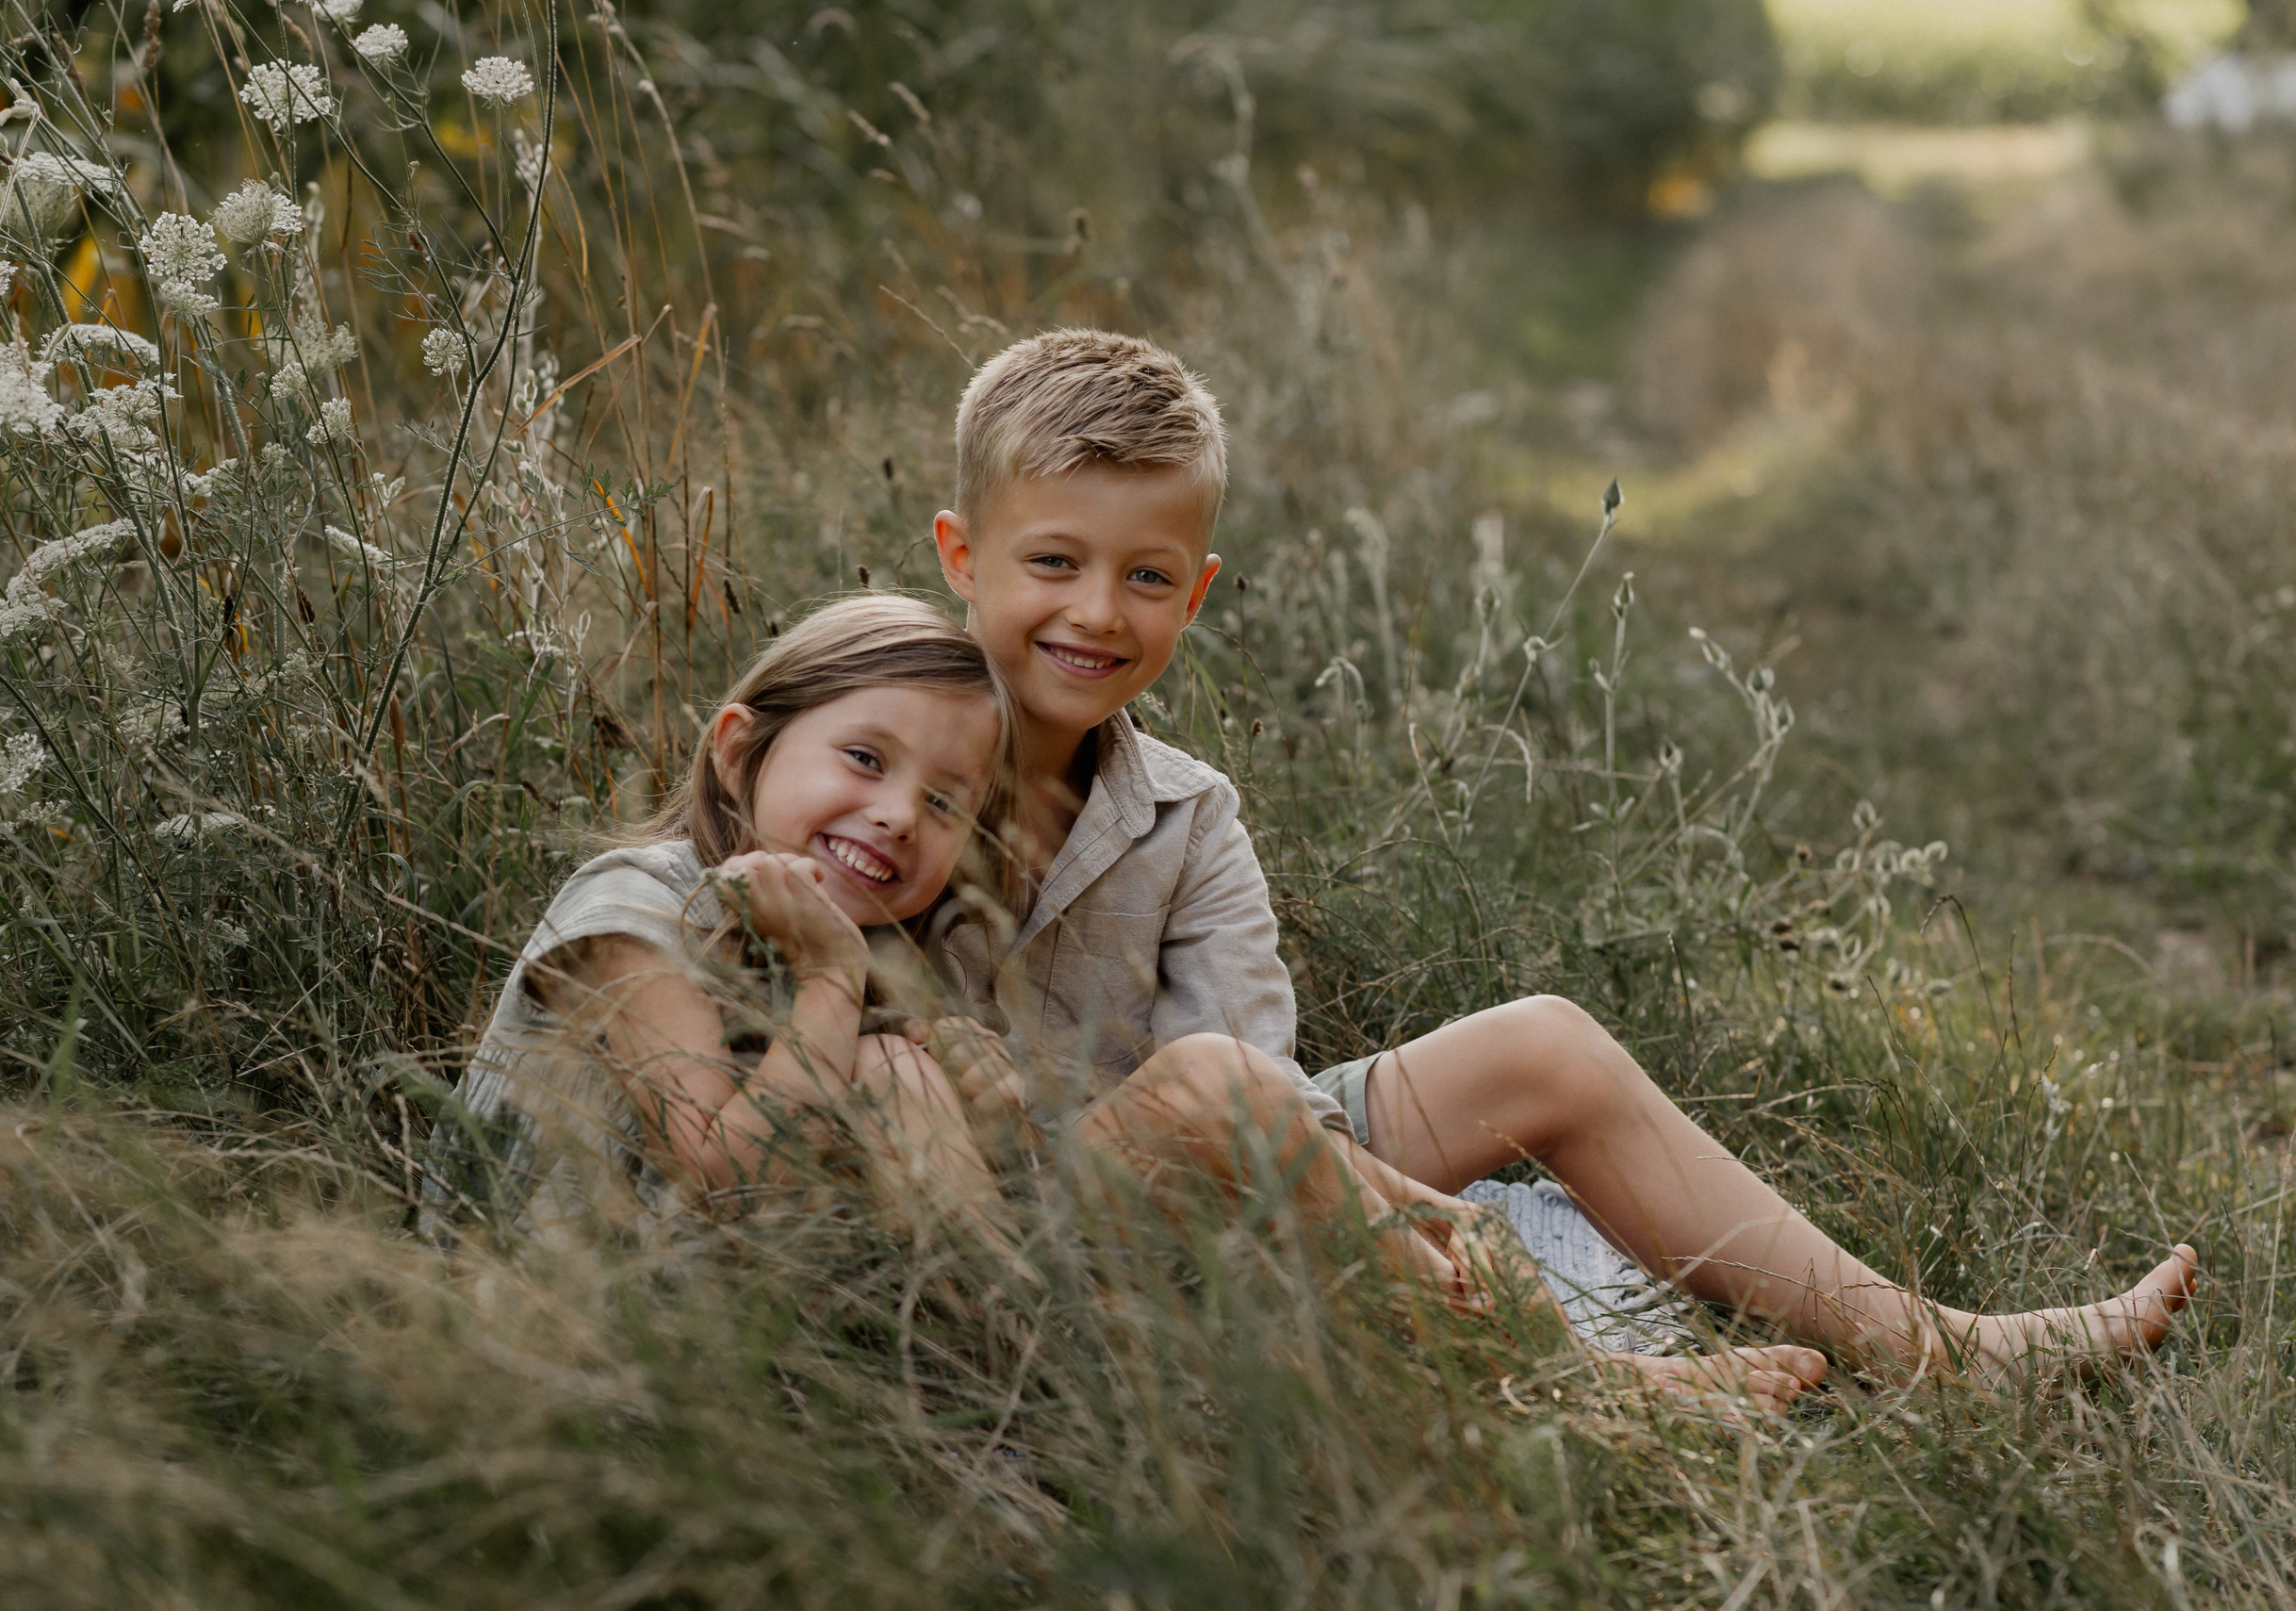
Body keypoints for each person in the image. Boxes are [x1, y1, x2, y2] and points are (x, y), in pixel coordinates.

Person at [913, 327, 2196, 1407]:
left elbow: (1268, 1091)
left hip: (1220, 1174)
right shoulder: (869, 766)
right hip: (1015, 1218)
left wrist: (1381, 1196)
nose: (1098, 612)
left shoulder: (1187, 812)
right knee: (1216, 1095)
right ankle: (1593, 1384)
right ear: (963, 555)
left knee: (1542, 1042)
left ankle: (1930, 1345)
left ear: (1193, 596)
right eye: (1053, 562)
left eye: (1144, 577)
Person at [418, 595, 1022, 1252]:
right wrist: (830, 978)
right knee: (888, 1069)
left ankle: (1012, 1309)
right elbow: (727, 1176)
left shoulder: (884, 956)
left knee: (896, 1068)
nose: (900, 816)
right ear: (737, 753)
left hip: (741, 1297)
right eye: (865, 759)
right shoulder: (635, 910)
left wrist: (981, 1108)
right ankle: (1011, 1310)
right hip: (536, 1294)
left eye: (943, 803)